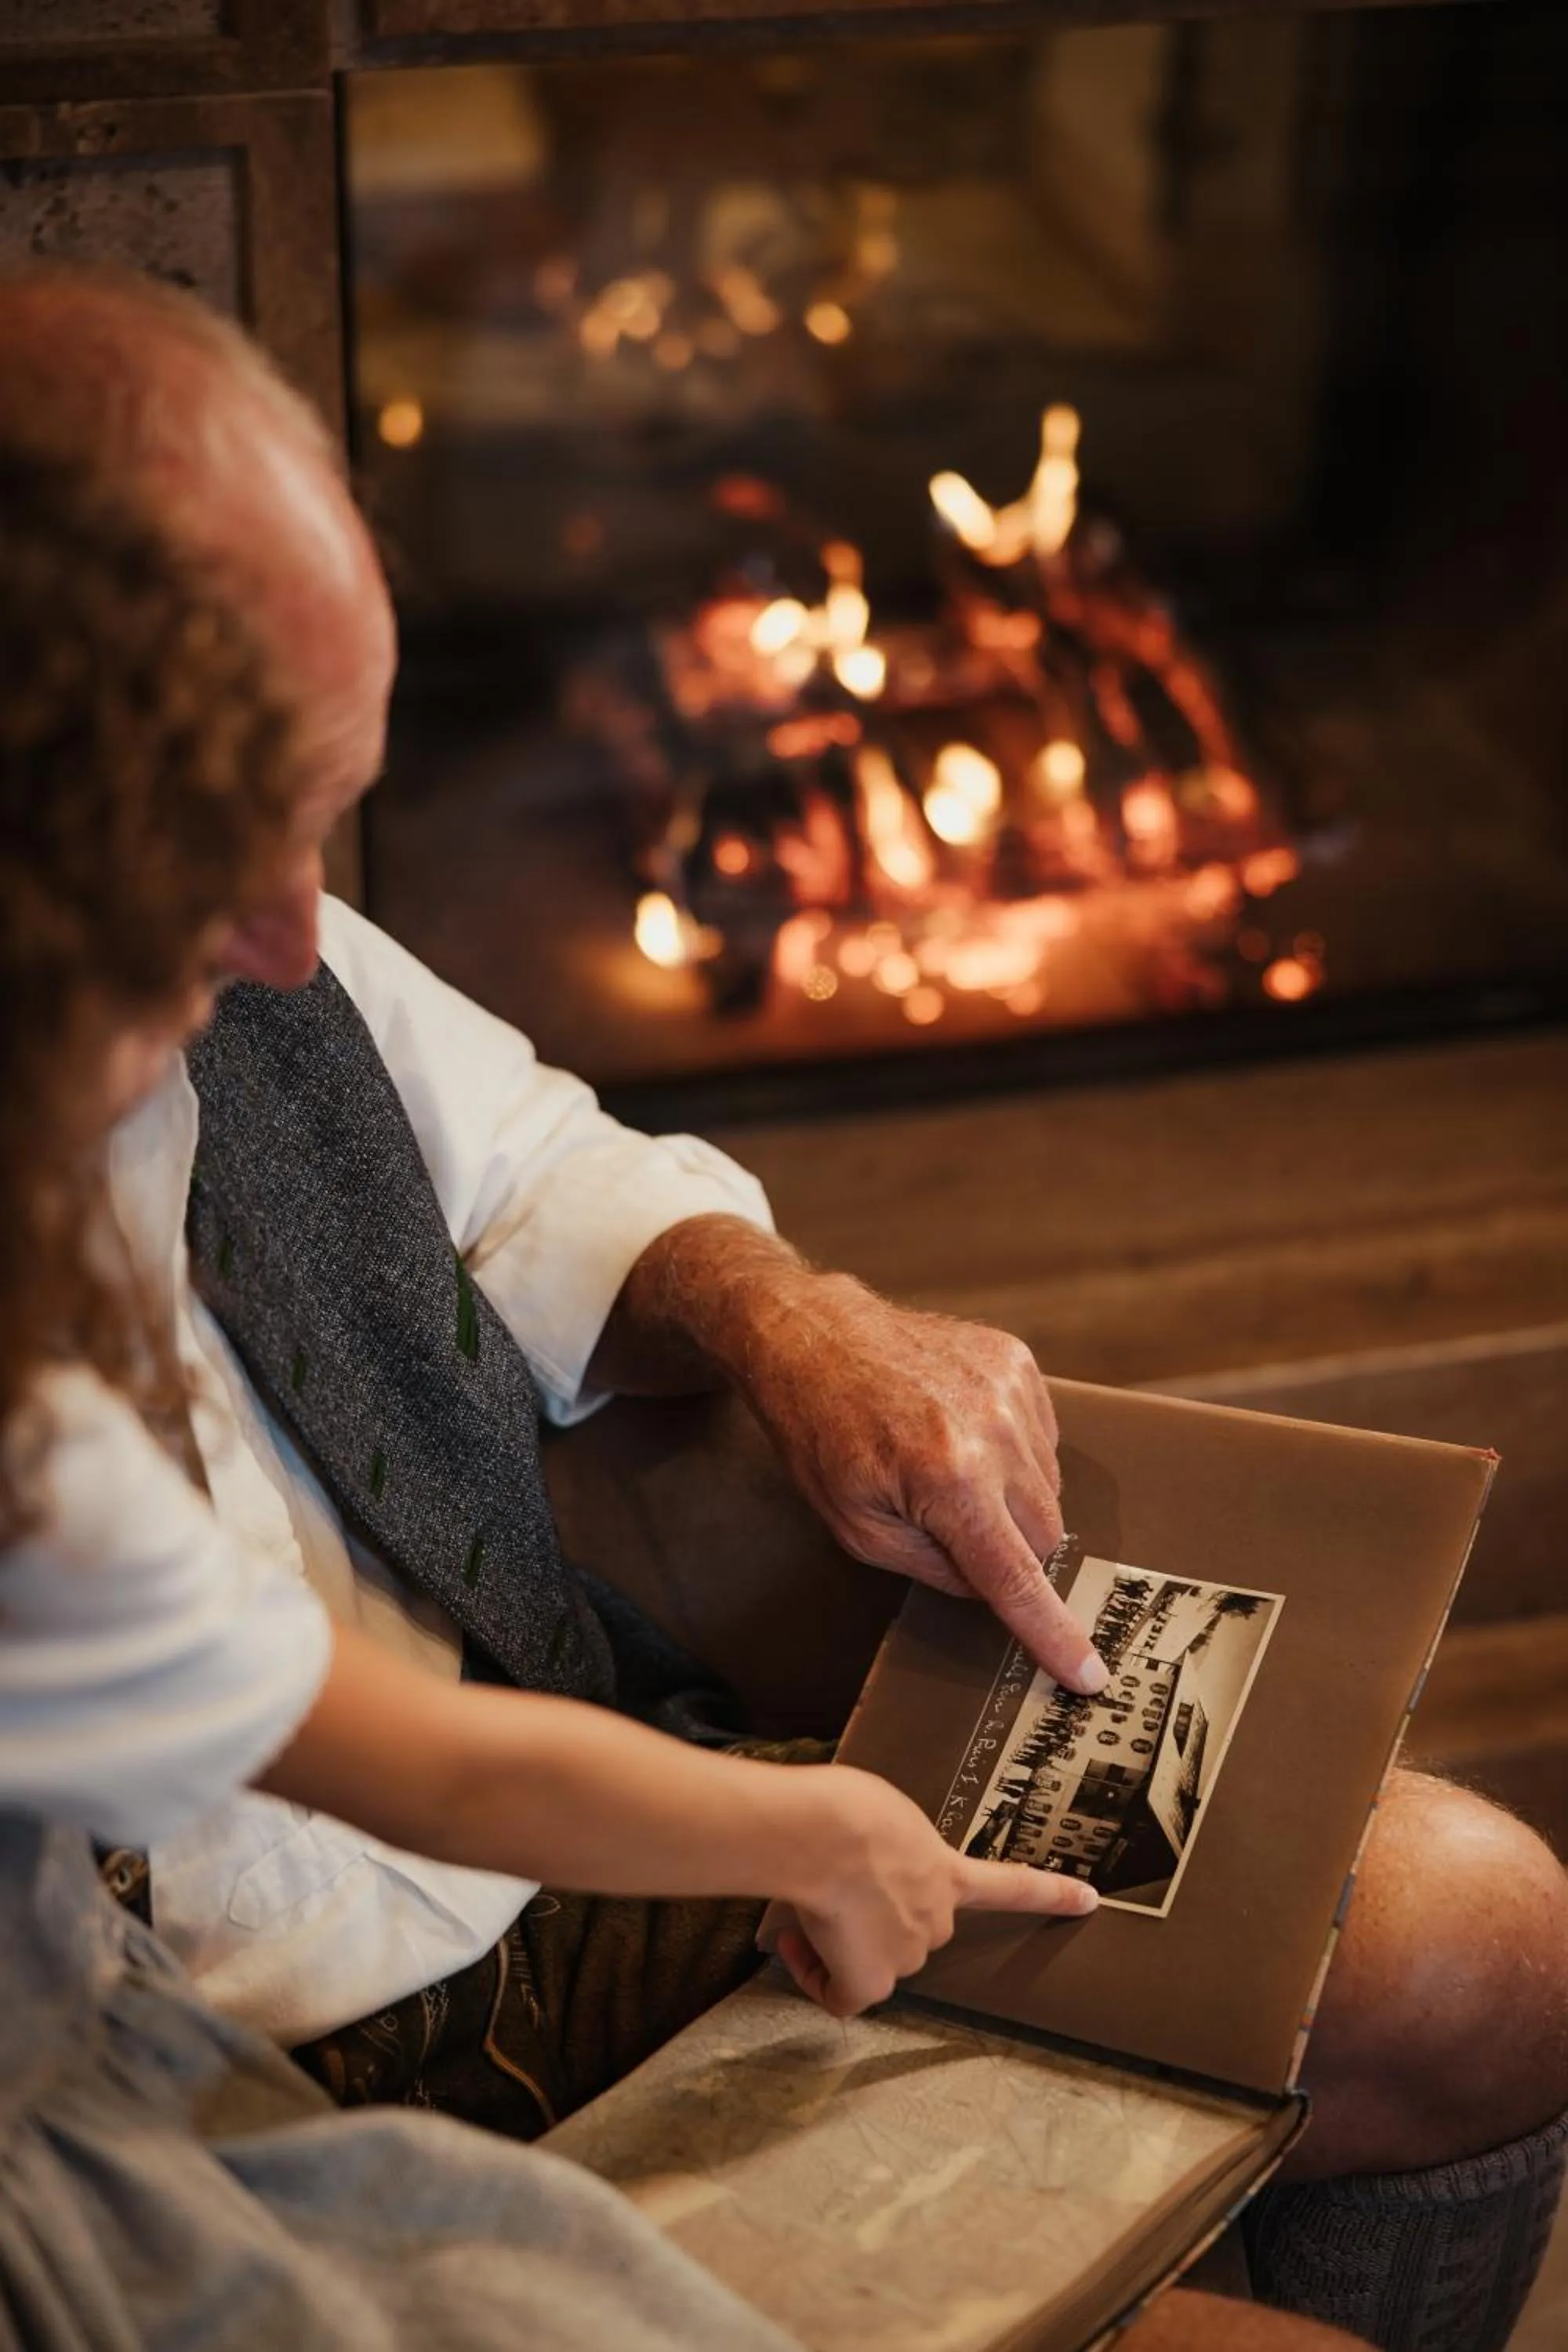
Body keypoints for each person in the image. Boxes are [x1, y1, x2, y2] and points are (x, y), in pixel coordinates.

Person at [0, 265, 1564, 2352]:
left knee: (1494, 1946)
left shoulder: (189, 954)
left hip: (557, 1819)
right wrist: (802, 1824)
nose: (303, 946)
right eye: (225, 861)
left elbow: (524, 1156)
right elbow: (343, 1754)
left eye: (329, 823)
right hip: (232, 2078)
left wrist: (794, 1321)